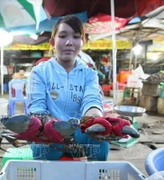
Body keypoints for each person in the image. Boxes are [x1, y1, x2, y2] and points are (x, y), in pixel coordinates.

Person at [27, 15, 109, 161]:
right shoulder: (39, 72)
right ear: (53, 42)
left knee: (100, 144)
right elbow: (36, 108)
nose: (69, 42)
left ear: (82, 42)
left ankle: (98, 175)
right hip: (48, 131)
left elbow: (91, 100)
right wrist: (53, 127)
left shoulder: (89, 74)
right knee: (49, 152)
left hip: (79, 132)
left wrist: (95, 116)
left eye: (76, 37)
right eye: (63, 36)